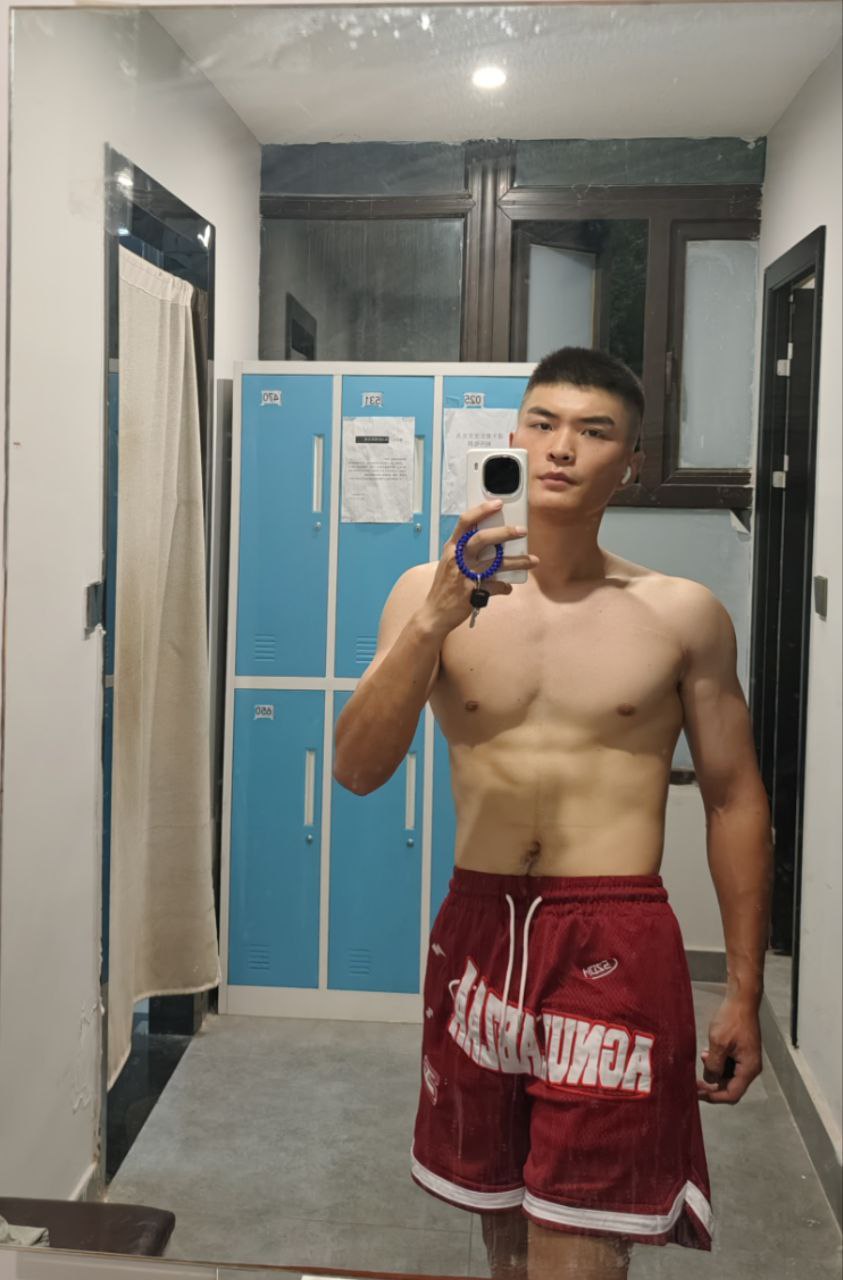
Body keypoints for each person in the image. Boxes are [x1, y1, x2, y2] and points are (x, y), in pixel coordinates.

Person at [333, 347, 772, 1280]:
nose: (561, 447)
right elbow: (357, 770)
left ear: (631, 464)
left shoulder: (681, 614)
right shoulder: (423, 595)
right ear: (513, 439)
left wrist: (742, 990)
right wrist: (433, 620)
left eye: (593, 431)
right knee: (503, 1233)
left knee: (580, 1239)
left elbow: (734, 797)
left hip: (613, 935)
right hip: (478, 931)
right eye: (543, 423)